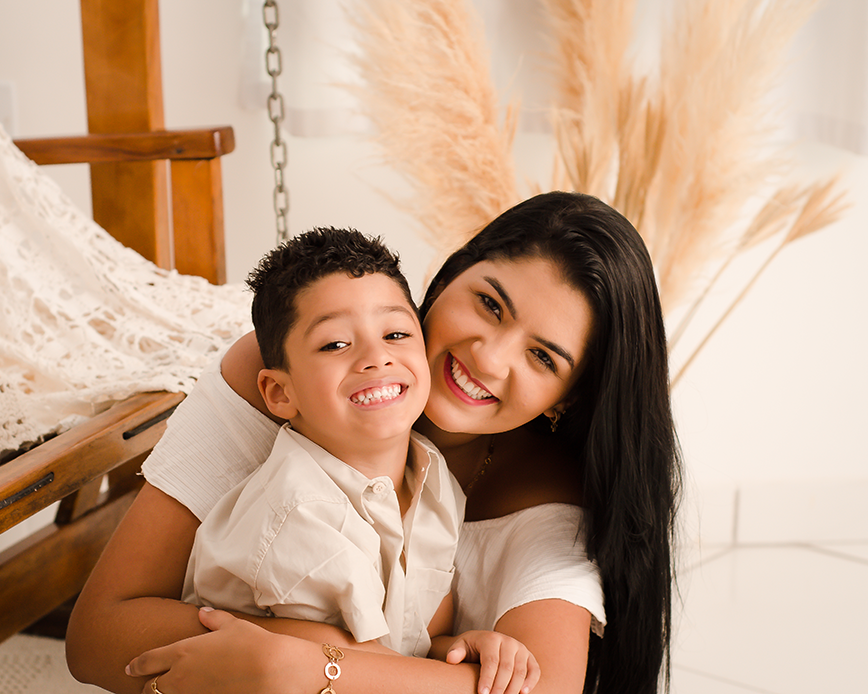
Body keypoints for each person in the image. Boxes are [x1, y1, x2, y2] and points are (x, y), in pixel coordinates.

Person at [65, 191, 682, 694]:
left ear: (567, 398)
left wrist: (309, 669)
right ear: (451, 274)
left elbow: (544, 692)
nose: (488, 359)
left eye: (542, 357)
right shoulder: (290, 379)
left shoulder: (544, 489)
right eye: (489, 305)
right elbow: (100, 636)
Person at [184, 227, 535, 692]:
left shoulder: (431, 475)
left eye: (395, 333)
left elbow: (413, 643)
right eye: (334, 344)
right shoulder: (300, 514)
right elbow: (341, 672)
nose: (376, 357)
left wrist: (464, 646)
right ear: (280, 392)